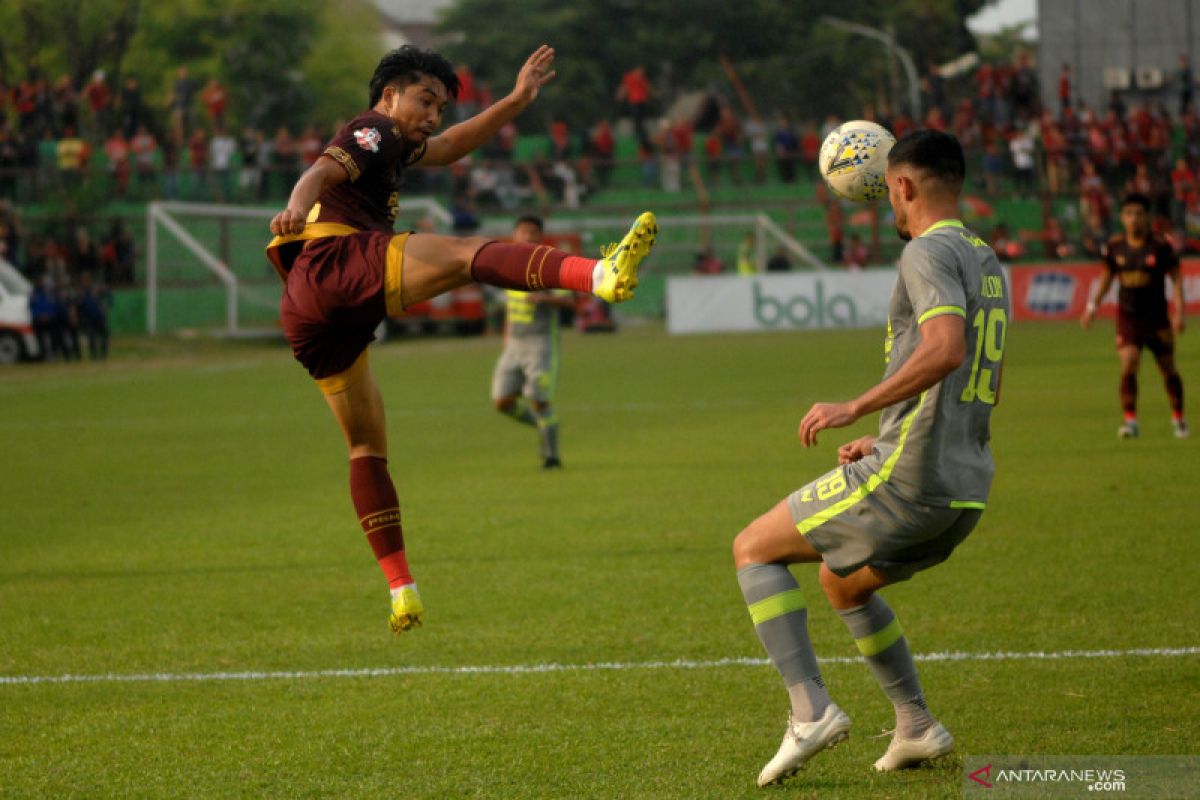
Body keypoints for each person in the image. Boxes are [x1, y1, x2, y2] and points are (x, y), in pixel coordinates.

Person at [265, 45, 657, 635]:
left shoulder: (400, 144)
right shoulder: (372, 128)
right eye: (426, 100)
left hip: (309, 310)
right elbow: (319, 172)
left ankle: (402, 588)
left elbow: (448, 149)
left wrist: (517, 99)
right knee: (468, 254)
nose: (433, 116)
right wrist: (295, 207)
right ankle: (597, 274)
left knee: (366, 448)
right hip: (333, 261)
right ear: (391, 93)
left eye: (441, 106)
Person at [732, 130, 1009, 786]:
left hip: (910, 482)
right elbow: (966, 373)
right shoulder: (984, 254)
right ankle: (915, 726)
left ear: (905, 186)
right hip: (964, 486)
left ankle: (810, 712)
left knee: (753, 548)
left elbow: (945, 349)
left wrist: (854, 409)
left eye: (888, 188)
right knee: (842, 582)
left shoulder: (924, 253)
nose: (888, 199)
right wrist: (887, 435)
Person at [1081, 193, 1188, 438]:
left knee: (1168, 369)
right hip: (1128, 318)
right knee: (1129, 363)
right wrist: (1091, 308)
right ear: (1122, 217)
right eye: (1129, 214)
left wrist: (1179, 313)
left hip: (1157, 319)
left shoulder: (1160, 246)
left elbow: (1177, 280)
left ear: (1147, 217)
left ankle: (1178, 418)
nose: (1134, 219)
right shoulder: (1116, 246)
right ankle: (1130, 421)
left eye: (1139, 214)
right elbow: (1106, 280)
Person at [490, 216, 576, 469]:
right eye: (524, 232)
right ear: (514, 235)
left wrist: (545, 299)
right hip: (514, 345)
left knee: (538, 399)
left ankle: (552, 457)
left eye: (534, 233)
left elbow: (570, 301)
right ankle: (543, 426)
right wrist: (506, 340)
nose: (529, 237)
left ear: (541, 237)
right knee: (502, 402)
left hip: (540, 344)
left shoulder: (549, 266)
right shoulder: (506, 267)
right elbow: (508, 309)